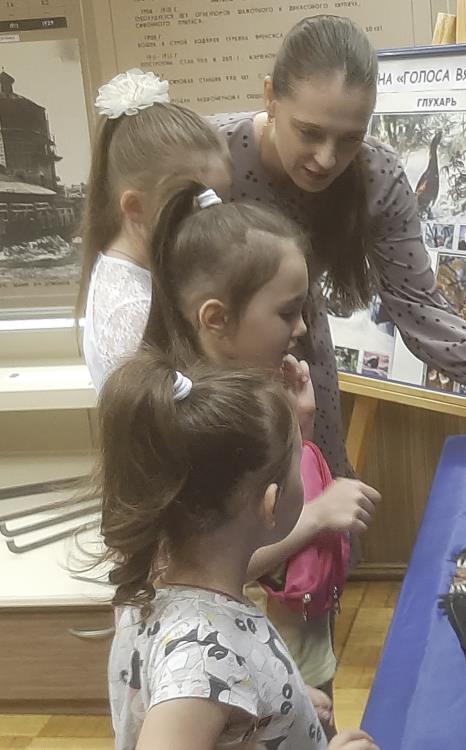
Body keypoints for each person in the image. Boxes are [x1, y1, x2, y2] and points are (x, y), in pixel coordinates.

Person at [209, 14, 466, 479]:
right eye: (310, 132)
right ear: (270, 98)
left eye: (350, 139)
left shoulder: (375, 174)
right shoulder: (205, 157)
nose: (327, 159)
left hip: (302, 365)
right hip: (206, 375)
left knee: (319, 494)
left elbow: (419, 307)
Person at [140, 178, 381, 710]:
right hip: (233, 676)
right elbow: (208, 571)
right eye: (287, 312)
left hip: (273, 659)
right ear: (216, 318)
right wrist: (317, 516)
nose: (302, 329)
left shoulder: (251, 395)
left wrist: (299, 426)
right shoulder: (199, 427)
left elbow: (267, 500)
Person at [94, 351, 378, 750]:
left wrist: (281, 703)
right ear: (271, 504)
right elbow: (201, 679)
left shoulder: (154, 588)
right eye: (300, 462)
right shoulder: (201, 661)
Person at [77, 68, 232, 391]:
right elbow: (174, 414)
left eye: (222, 200)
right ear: (135, 207)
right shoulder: (132, 309)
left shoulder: (143, 275)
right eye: (196, 204)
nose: (216, 220)